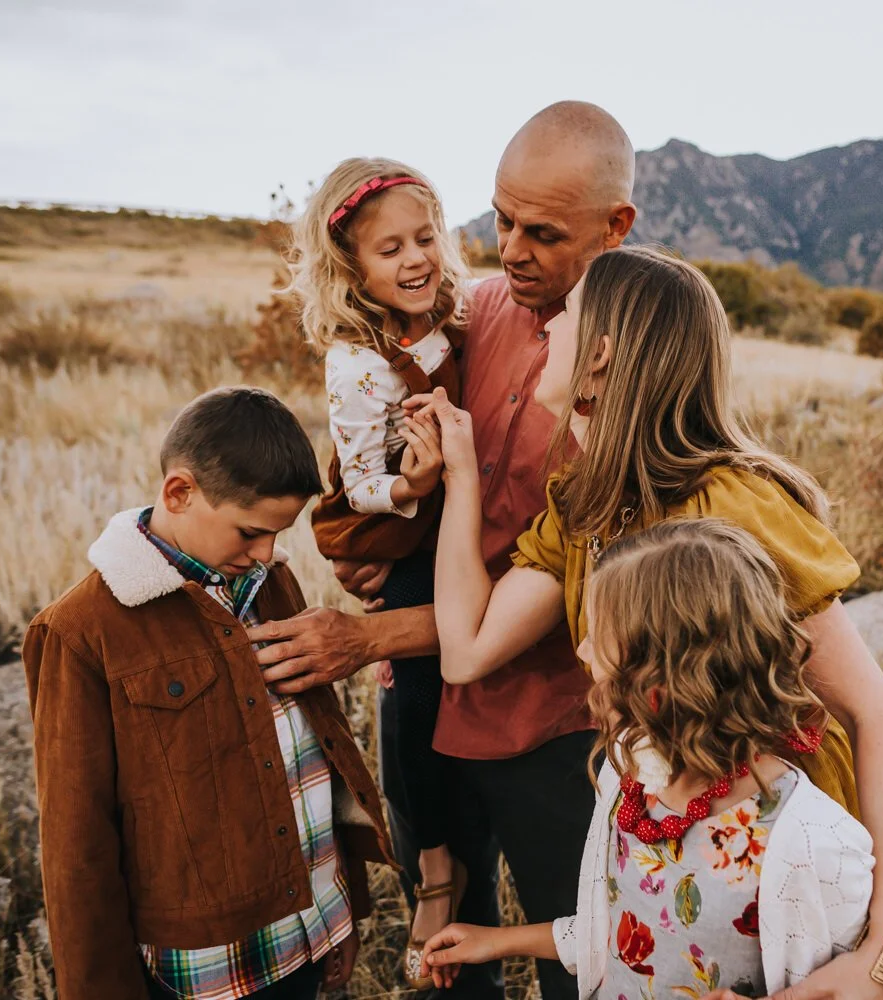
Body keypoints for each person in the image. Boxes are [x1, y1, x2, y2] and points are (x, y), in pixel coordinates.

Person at [411, 245, 883, 999]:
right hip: (672, 841)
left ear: (603, 356)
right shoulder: (587, 503)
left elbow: (877, 714)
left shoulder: (731, 505)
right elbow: (467, 650)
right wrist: (461, 473)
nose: (546, 324)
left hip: (782, 874)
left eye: (569, 312)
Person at [249, 101, 638, 1000]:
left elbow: (570, 587)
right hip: (433, 709)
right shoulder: (483, 308)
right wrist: (365, 531)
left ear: (616, 227)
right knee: (451, 949)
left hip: (552, 722)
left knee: (576, 951)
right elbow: (378, 416)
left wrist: (368, 637)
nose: (510, 249)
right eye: (500, 221)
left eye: (541, 233)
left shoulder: (634, 364)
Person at [22, 387, 394, 1000]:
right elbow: (76, 848)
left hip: (310, 931)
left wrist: (339, 914)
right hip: (210, 973)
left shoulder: (271, 582)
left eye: (278, 534)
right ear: (179, 492)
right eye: (250, 532)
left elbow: (316, 757)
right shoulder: (79, 633)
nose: (268, 554)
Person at [421, 518, 881, 999]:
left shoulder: (811, 841)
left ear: (658, 686)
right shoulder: (630, 779)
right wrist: (497, 941)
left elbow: (867, 982)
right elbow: (626, 930)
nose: (581, 649)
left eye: (597, 637)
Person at [282, 157, 467, 988]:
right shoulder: (357, 359)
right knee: (417, 703)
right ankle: (433, 869)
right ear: (351, 267)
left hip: (464, 530)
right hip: (406, 539)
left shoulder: (456, 317)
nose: (415, 258)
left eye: (425, 237)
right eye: (389, 249)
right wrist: (414, 483)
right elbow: (360, 481)